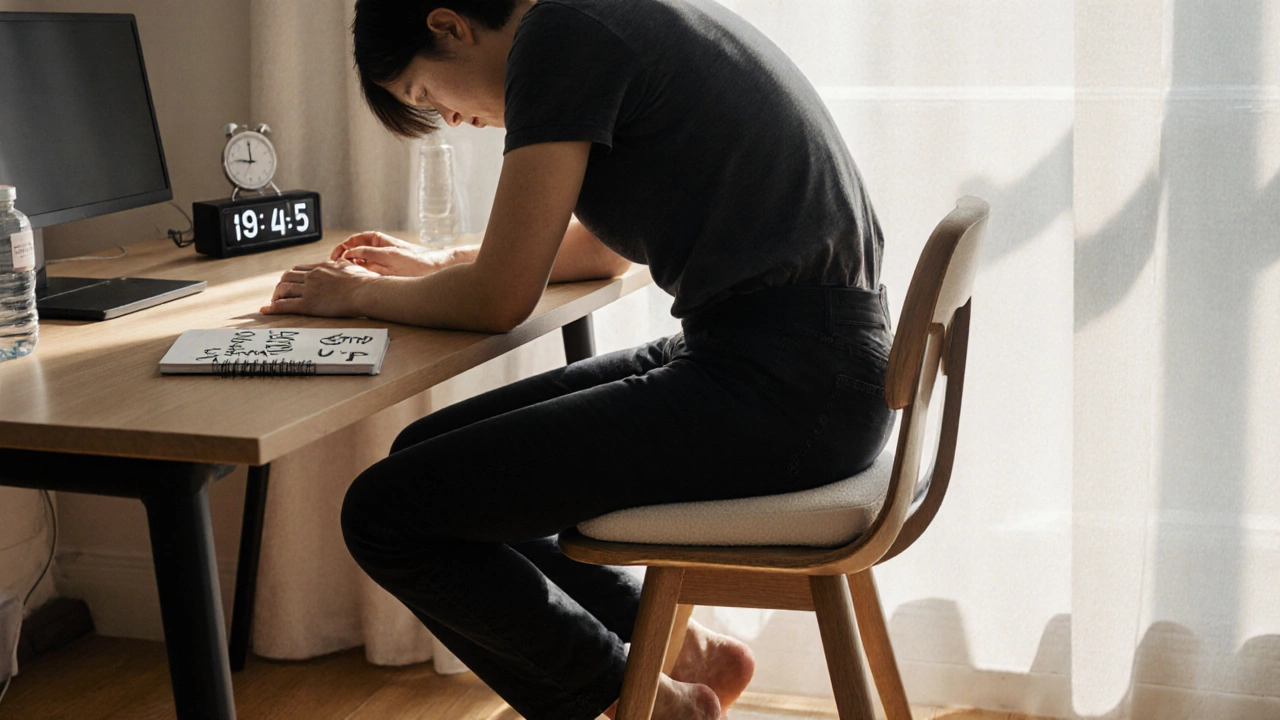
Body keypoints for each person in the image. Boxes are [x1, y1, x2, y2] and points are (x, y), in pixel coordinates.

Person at [261, 1, 896, 718]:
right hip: (805, 364)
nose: (451, 119)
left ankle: (646, 705)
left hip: (789, 389)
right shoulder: (595, 18)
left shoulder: (559, 35)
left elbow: (499, 299)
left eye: (426, 93)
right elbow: (602, 251)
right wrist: (441, 264)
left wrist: (356, 295)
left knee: (385, 513)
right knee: (425, 456)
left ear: (449, 25)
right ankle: (683, 656)